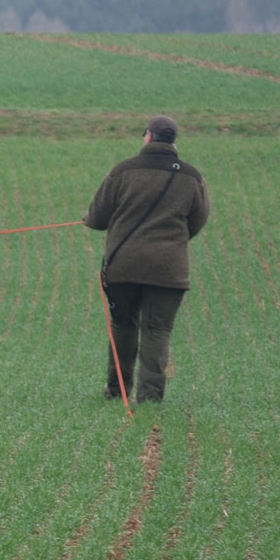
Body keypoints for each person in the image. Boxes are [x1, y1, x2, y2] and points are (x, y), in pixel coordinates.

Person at [85, 115, 211, 402]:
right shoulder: (191, 177)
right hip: (169, 269)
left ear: (149, 138)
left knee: (122, 324)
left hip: (123, 265)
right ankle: (150, 397)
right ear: (173, 141)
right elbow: (198, 221)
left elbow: (97, 218)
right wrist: (171, 242)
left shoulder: (123, 171)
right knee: (158, 330)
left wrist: (89, 219)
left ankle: (117, 392)